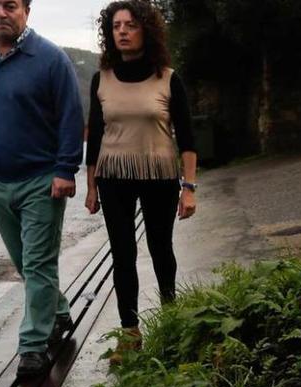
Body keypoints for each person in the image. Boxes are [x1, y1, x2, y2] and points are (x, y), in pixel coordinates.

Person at [0, 0, 84, 377]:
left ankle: (32, 346)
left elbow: (70, 116)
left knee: (38, 262)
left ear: (26, 10)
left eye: (9, 5)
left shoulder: (50, 59)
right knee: (24, 262)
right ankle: (58, 313)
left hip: (41, 182)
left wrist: (65, 169)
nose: (0, 12)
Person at [86, 0, 197, 362]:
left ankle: (172, 320)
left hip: (160, 175)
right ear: (109, 32)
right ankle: (129, 334)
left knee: (161, 248)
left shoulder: (167, 77)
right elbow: (96, 134)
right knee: (123, 253)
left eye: (130, 25)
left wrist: (189, 188)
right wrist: (91, 186)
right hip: (113, 177)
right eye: (116, 26)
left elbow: (189, 137)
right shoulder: (100, 79)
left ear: (145, 31)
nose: (122, 31)